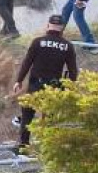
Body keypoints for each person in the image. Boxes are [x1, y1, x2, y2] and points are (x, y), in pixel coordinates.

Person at [12, 14, 78, 146]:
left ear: (47, 26)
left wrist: (18, 80)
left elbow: (27, 62)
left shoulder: (38, 42)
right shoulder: (68, 46)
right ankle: (48, 146)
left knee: (27, 114)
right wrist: (71, 88)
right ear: (62, 28)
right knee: (50, 118)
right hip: (54, 88)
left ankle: (23, 146)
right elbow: (73, 71)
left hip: (36, 85)